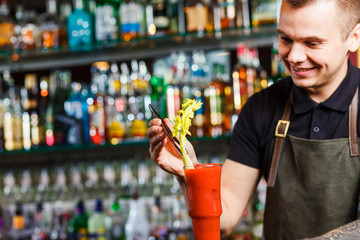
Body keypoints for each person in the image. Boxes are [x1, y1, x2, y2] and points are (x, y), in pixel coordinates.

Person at [146, 0, 360, 239]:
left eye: (312, 43)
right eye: (286, 39)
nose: (295, 56)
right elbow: (223, 220)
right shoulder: (262, 108)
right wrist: (188, 171)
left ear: (354, 37)